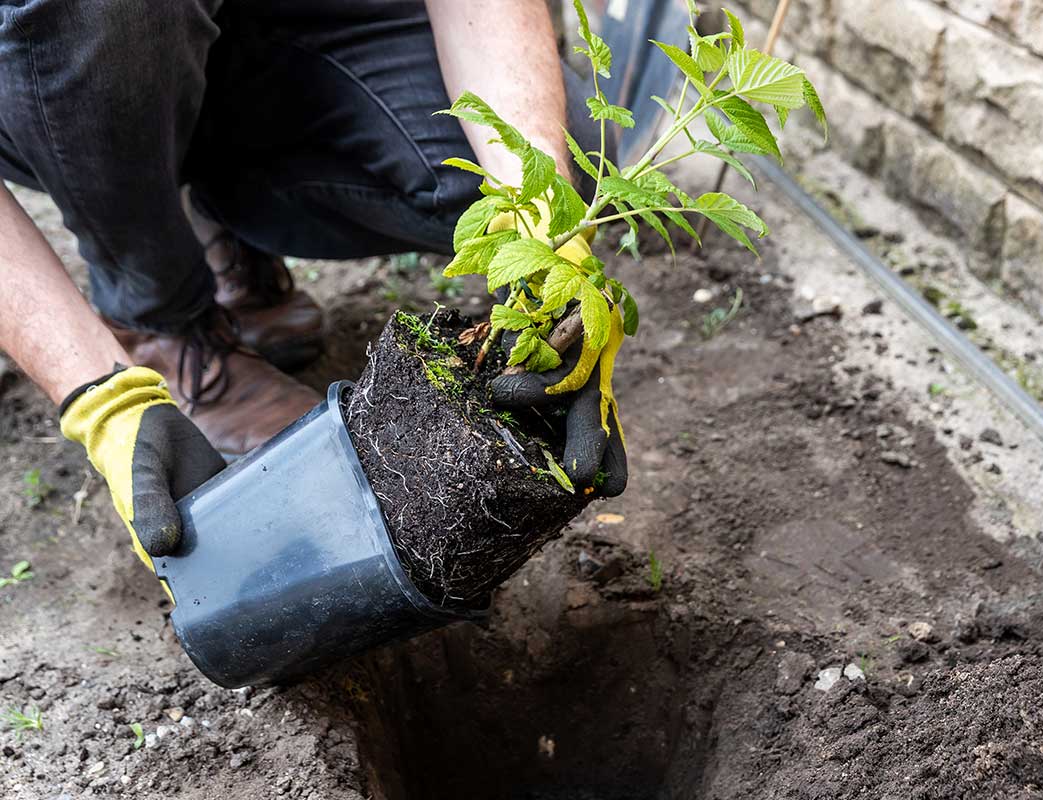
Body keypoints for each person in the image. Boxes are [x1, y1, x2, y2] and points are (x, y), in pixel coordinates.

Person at [0, 0, 625, 571]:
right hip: (62, 55)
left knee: (574, 154)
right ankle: (161, 319)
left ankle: (211, 205)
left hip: (272, 25)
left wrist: (544, 234)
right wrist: (99, 398)